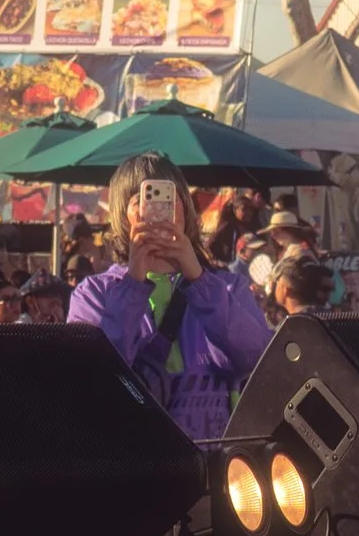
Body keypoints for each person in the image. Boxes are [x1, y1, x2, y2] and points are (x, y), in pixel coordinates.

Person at [66, 155, 272, 447]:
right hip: (128, 462)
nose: (159, 210)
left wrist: (199, 280)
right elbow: (91, 377)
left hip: (210, 462)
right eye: (144, 200)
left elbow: (256, 358)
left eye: (169, 198)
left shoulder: (227, 287)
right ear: (122, 214)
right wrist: (133, 286)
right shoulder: (94, 294)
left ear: (186, 210)